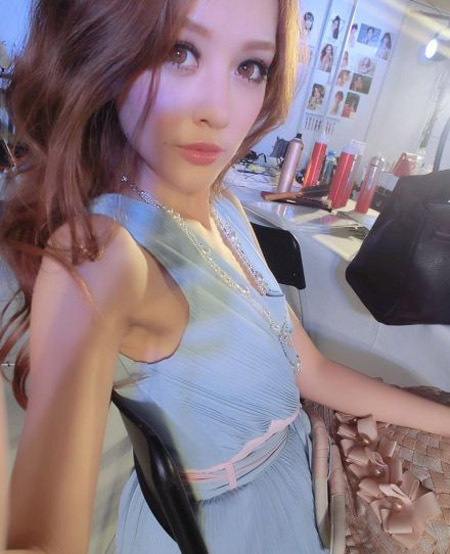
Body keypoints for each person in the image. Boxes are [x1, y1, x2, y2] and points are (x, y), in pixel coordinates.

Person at [2, 1, 450, 553]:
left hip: (295, 479)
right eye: (179, 52)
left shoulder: (223, 205)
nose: (218, 111)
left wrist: (443, 420)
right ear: (106, 52)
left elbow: (312, 369)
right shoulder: (104, 254)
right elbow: (42, 537)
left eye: (250, 67)